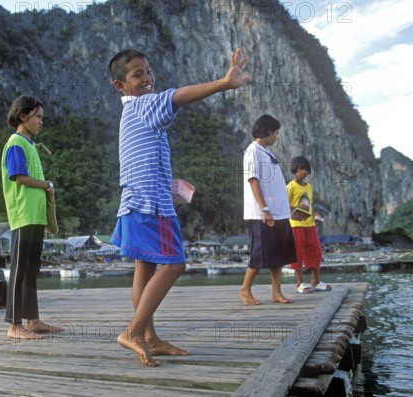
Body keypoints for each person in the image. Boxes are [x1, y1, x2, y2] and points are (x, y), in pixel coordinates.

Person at [108, 48, 250, 366]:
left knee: (144, 268)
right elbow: (176, 97)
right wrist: (222, 84)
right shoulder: (144, 105)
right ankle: (133, 331)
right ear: (121, 86)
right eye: (137, 75)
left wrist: (169, 184)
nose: (147, 78)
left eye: (148, 71)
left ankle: (150, 338)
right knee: (175, 265)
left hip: (134, 200)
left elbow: (142, 159)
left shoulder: (130, 113)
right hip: (152, 205)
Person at [1, 95, 63, 340]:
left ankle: (33, 320)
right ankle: (14, 326)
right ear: (23, 116)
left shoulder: (29, 144)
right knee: (19, 270)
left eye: (42, 117)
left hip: (35, 216)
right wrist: (46, 183)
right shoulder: (16, 142)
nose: (41, 122)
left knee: (31, 268)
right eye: (37, 116)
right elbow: (18, 176)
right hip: (23, 215)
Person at [240, 114, 297, 306]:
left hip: (279, 212)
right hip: (263, 213)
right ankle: (245, 289)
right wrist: (264, 209)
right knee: (259, 253)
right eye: (276, 133)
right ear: (268, 132)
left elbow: (273, 185)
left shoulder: (267, 153)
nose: (277, 137)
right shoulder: (253, 151)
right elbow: (253, 180)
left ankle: (276, 293)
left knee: (278, 255)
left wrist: (285, 206)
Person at [287, 156, 331, 293]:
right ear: (295, 170)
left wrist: (315, 214)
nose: (304, 172)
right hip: (296, 224)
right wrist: (296, 212)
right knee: (298, 252)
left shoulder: (309, 187)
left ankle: (315, 281)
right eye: (301, 169)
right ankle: (299, 283)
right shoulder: (290, 186)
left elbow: (308, 206)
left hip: (310, 224)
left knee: (316, 251)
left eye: (306, 169)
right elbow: (286, 205)